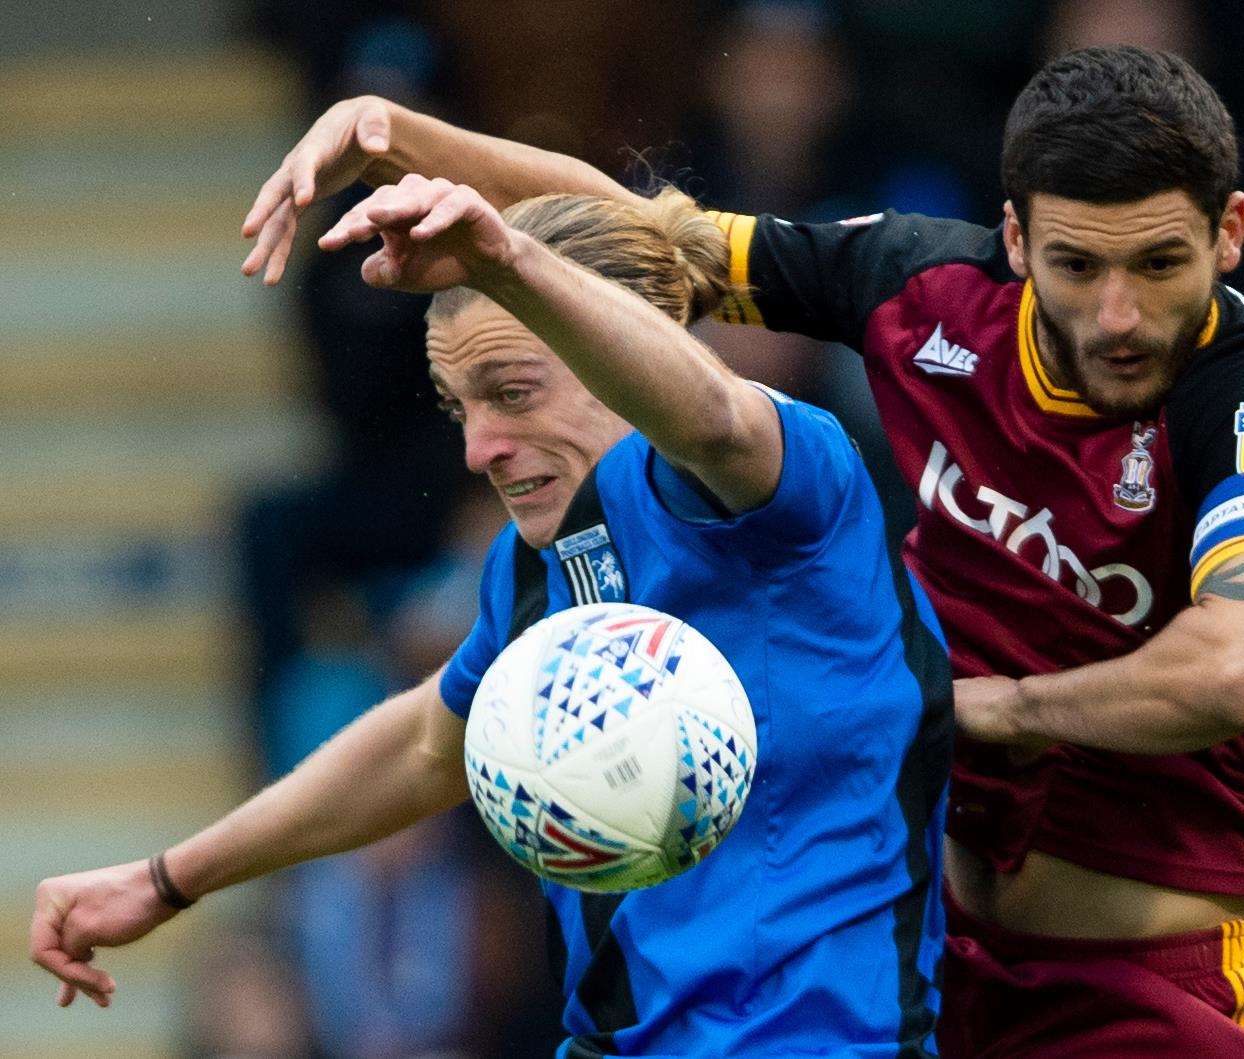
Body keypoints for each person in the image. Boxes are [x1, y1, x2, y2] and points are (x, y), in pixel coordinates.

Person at [236, 44, 1244, 1058]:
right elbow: (639, 238)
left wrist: (978, 707)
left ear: (1227, 233)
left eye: (1157, 264)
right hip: (929, 966)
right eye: (1075, 266)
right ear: (1013, 241)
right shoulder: (925, 293)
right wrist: (393, 134)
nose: (1116, 316)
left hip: (1148, 986)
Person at [32, 179, 954, 1057]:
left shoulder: (785, 484)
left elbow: (711, 416)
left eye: (512, 393)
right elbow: (429, 748)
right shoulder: (534, 565)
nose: (478, 449)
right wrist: (166, 878)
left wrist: (508, 256)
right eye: (460, 406)